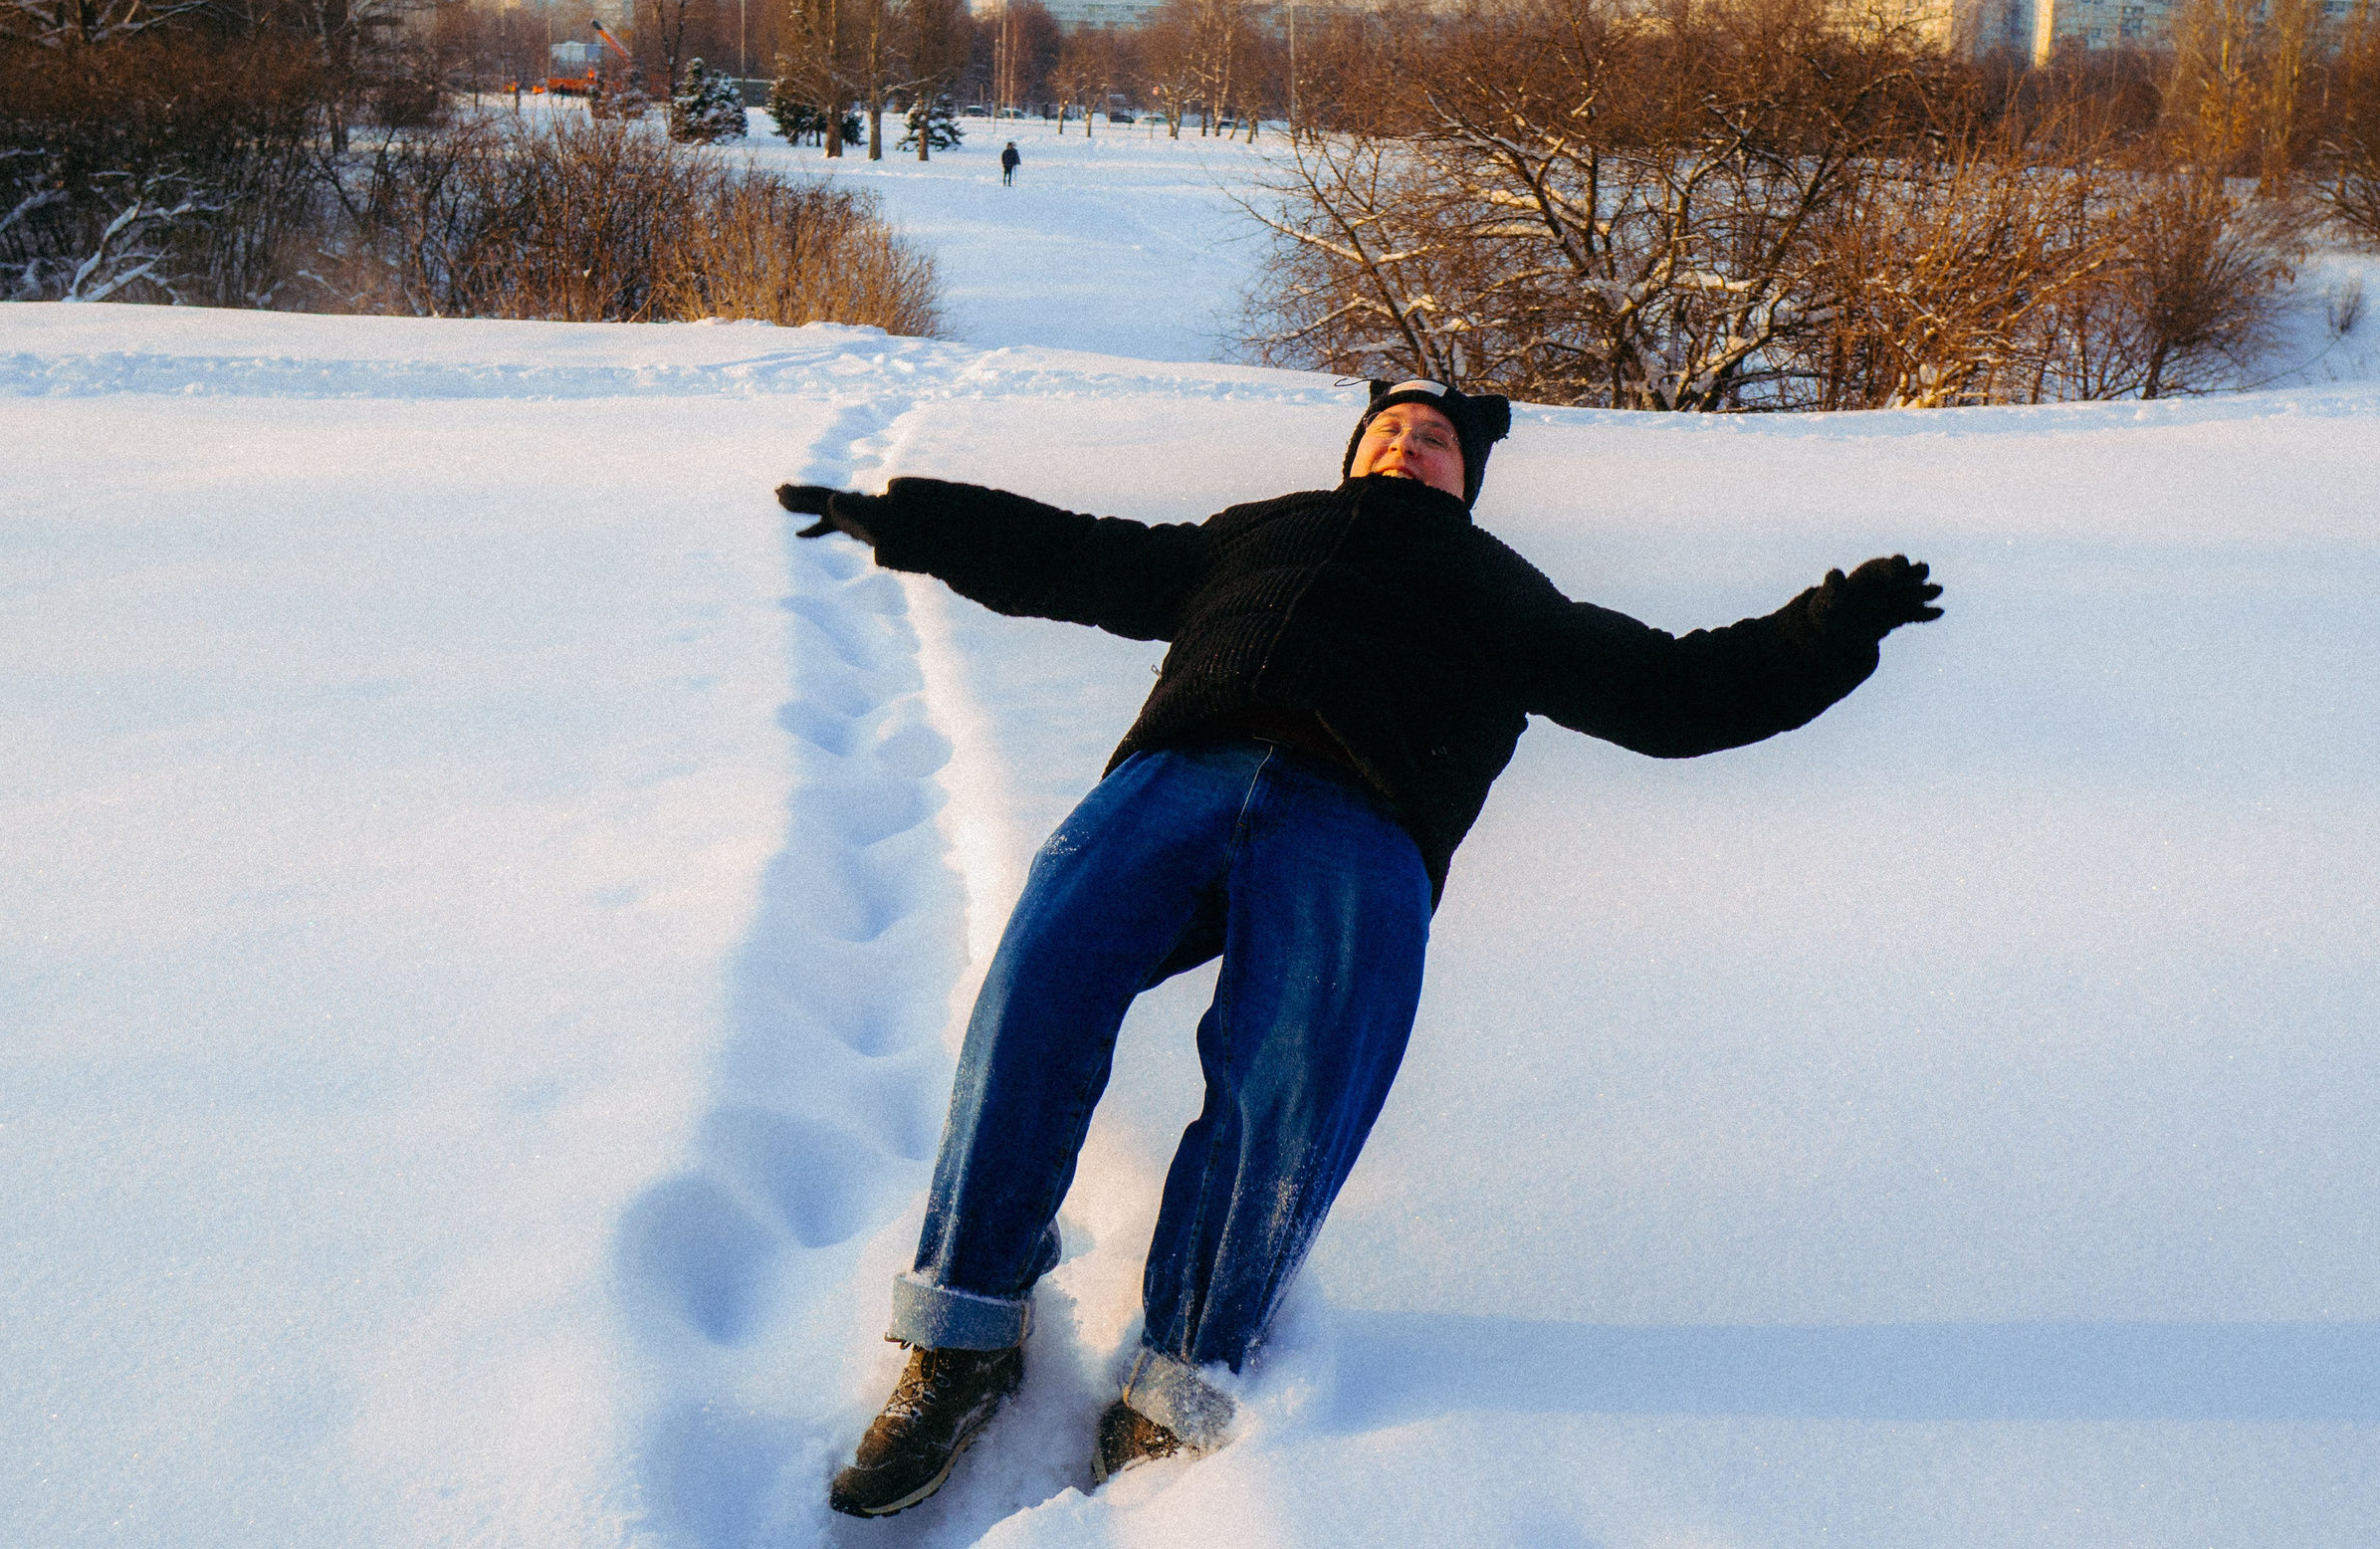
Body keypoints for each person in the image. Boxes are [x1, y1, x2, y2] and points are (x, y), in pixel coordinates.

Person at [775, 377, 1942, 1517]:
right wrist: (910, 520)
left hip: (1363, 817)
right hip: (1183, 770)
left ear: (1465, 476)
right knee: (1037, 988)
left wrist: (1831, 631)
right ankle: (964, 1335)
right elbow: (1077, 555)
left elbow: (1670, 693)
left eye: (1432, 437)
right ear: (1352, 452)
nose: (1404, 444)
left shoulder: (1500, 587)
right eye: (1387, 429)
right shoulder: (1259, 533)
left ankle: (1184, 1375)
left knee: (1290, 1086)